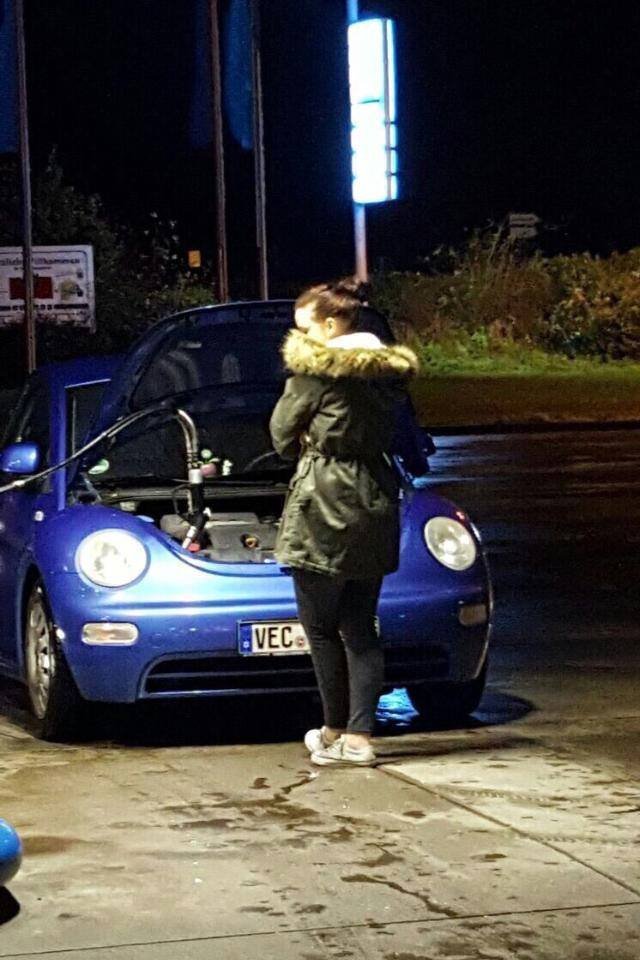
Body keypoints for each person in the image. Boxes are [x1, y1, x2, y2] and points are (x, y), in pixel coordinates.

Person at [269, 278, 421, 766]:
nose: (302, 337)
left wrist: (308, 441)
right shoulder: (387, 375)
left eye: (306, 328)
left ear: (332, 324)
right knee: (361, 626)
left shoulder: (315, 374)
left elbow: (280, 435)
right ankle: (360, 738)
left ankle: (334, 730)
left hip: (325, 498)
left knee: (319, 627)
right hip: (375, 497)